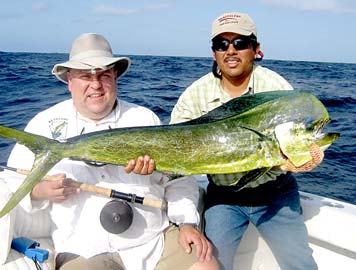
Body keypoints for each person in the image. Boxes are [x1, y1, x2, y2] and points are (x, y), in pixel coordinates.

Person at [5, 33, 218, 270]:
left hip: (152, 240)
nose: (96, 84)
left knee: (206, 265)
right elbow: (13, 184)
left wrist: (187, 222)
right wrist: (39, 191)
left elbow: (180, 177)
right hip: (83, 249)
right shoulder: (43, 124)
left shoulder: (144, 118)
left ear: (115, 76)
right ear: (69, 79)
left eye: (104, 75)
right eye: (86, 76)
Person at [170, 12, 323, 270]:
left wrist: (309, 156)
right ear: (214, 52)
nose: (231, 50)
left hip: (276, 195)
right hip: (223, 197)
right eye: (222, 44)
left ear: (255, 49)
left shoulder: (275, 87)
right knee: (210, 264)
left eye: (240, 43)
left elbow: (304, 135)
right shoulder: (194, 94)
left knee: (301, 265)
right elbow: (172, 146)